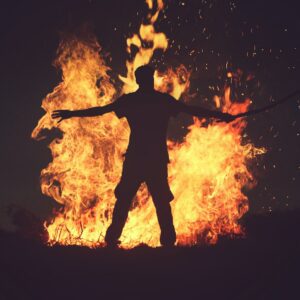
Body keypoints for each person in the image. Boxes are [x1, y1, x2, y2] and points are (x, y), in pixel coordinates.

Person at [52, 65, 236, 247]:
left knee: (127, 199)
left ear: (139, 80)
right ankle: (166, 242)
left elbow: (101, 110)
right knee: (159, 201)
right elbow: (192, 110)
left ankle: (113, 239)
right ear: (150, 78)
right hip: (154, 158)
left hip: (137, 158)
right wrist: (220, 115)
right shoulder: (162, 101)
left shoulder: (131, 101)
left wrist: (72, 114)